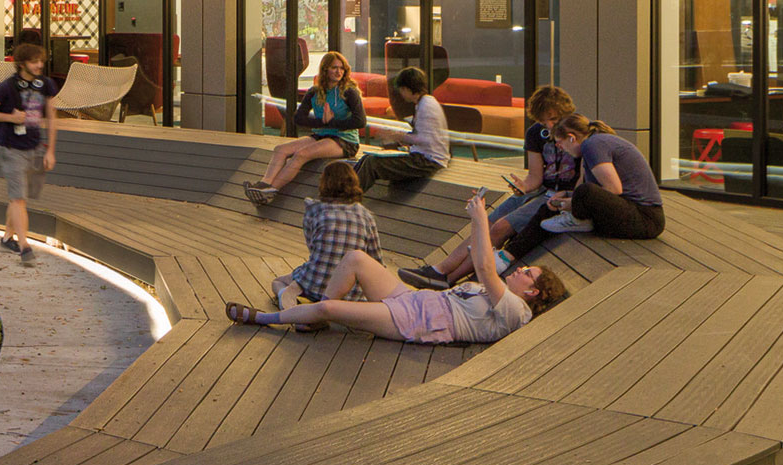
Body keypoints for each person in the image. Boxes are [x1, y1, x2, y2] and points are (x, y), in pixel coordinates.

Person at [229, 188, 568, 343]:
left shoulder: (516, 312)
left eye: (528, 274)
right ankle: (318, 317)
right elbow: (482, 270)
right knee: (355, 259)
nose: (521, 271)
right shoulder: (498, 296)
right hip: (415, 299)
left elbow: (483, 265)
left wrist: (480, 218)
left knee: (331, 306)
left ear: (534, 292)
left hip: (415, 321)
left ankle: (264, 319)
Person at [401, 85, 579, 289]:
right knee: (485, 222)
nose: (549, 125)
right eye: (543, 120)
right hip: (541, 190)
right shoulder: (536, 133)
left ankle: (450, 278)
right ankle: (440, 269)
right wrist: (523, 186)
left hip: (557, 196)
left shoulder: (577, 131)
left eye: (554, 119)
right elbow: (536, 177)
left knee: (501, 227)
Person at [506, 114, 665, 250]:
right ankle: (508, 255)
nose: (560, 147)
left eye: (560, 142)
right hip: (632, 212)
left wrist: (573, 204)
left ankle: (577, 218)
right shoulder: (593, 146)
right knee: (549, 207)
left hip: (646, 218)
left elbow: (614, 189)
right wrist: (568, 196)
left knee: (585, 191)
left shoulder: (593, 145)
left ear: (571, 137)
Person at [245, 52, 365, 203]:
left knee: (302, 154)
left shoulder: (349, 92)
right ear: (325, 69)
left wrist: (332, 122)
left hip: (344, 140)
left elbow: (360, 121)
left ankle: (270, 191)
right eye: (334, 67)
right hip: (321, 135)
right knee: (280, 150)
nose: (338, 71)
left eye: (341, 68)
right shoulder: (314, 92)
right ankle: (264, 184)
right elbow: (298, 118)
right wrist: (322, 122)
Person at [0, 39, 58, 268]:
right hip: (10, 147)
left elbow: (52, 118)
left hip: (34, 146)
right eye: (34, 62)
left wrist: (50, 150)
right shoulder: (7, 87)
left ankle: (6, 238)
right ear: (22, 63)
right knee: (18, 197)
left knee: (19, 197)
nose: (39, 65)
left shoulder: (46, 85)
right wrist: (10, 118)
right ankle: (25, 247)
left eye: (41, 61)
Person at [275, 161, 382, 309]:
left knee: (278, 281)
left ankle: (287, 298)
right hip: (351, 292)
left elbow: (313, 248)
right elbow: (375, 259)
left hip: (316, 282)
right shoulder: (366, 215)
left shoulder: (314, 210)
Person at [355, 66, 449, 186]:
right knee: (366, 158)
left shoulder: (426, 106)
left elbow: (425, 139)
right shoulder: (424, 103)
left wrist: (396, 136)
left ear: (407, 89)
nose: (401, 93)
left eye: (402, 89)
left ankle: (349, 197)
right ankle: (342, 192)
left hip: (428, 162)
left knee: (372, 163)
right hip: (424, 157)